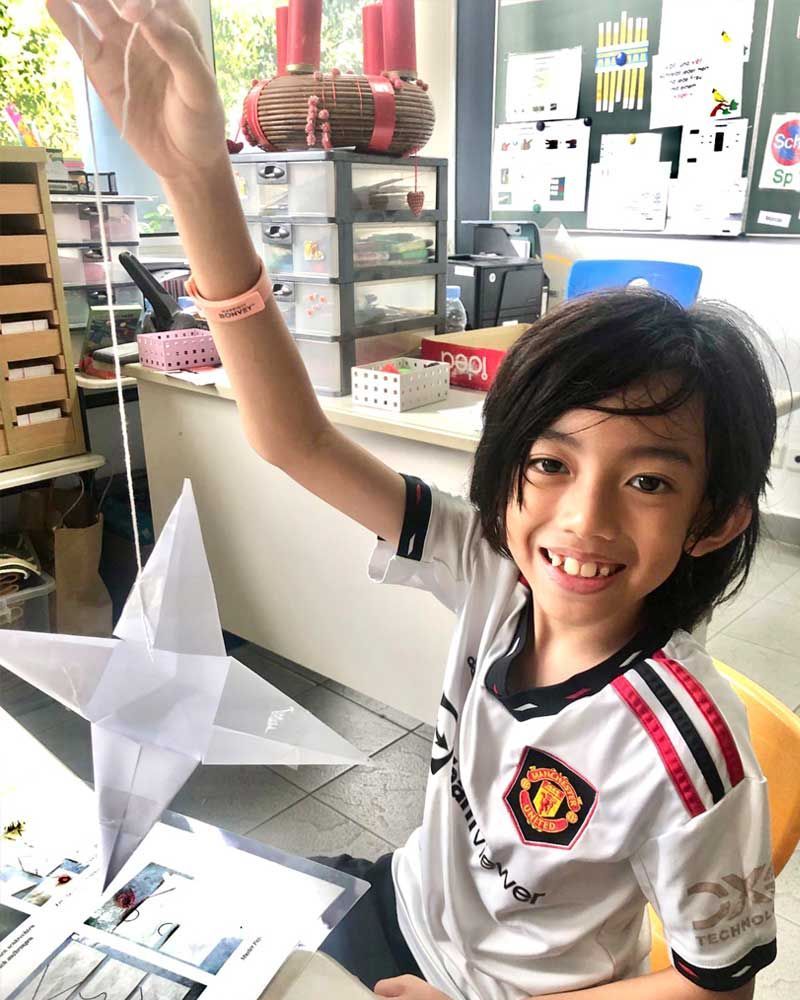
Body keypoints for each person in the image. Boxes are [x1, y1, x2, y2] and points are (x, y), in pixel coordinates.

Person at [49, 3, 779, 998]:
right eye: (551, 462)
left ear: (716, 518)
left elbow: (711, 985)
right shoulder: (493, 563)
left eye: (646, 480)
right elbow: (293, 439)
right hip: (393, 907)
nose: (581, 521)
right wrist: (195, 179)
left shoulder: (685, 745)